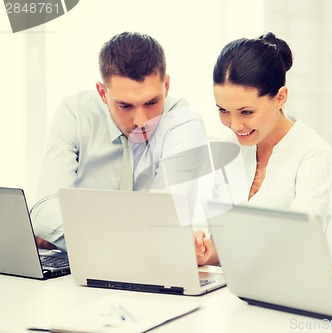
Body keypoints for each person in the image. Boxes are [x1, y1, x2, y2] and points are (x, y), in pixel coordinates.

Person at [32, 32, 207, 251]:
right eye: (125, 106)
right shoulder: (74, 114)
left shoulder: (183, 122)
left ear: (167, 86)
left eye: (152, 102)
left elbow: (164, 219)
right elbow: (44, 212)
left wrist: (71, 231)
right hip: (81, 269)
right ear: (102, 93)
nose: (141, 120)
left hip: (152, 268)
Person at [195, 32, 332, 265]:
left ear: (280, 97)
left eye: (246, 112)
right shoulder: (228, 148)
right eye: (223, 110)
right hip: (234, 286)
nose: (234, 125)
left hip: (288, 287)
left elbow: (299, 249)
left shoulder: (313, 155)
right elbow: (224, 246)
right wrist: (204, 252)